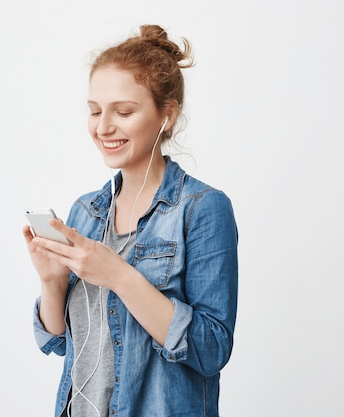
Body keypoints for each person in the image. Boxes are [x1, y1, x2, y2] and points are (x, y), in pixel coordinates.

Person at [22, 24, 238, 417]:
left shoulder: (203, 208)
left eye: (123, 111)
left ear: (165, 117)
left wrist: (119, 275)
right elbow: (62, 343)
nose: (103, 127)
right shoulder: (85, 213)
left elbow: (211, 350)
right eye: (94, 111)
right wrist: (52, 282)